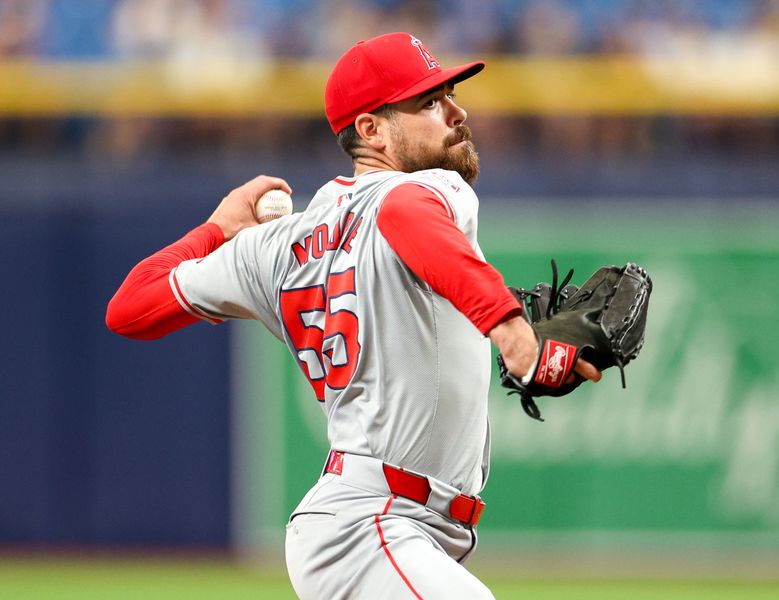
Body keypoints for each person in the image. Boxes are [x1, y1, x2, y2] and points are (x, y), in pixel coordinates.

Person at [106, 31, 600, 600]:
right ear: (370, 129)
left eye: (450, 95)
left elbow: (131, 305)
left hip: (381, 527)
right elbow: (403, 213)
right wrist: (513, 333)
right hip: (373, 525)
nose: (458, 113)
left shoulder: (272, 246)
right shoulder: (427, 187)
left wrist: (216, 230)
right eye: (430, 103)